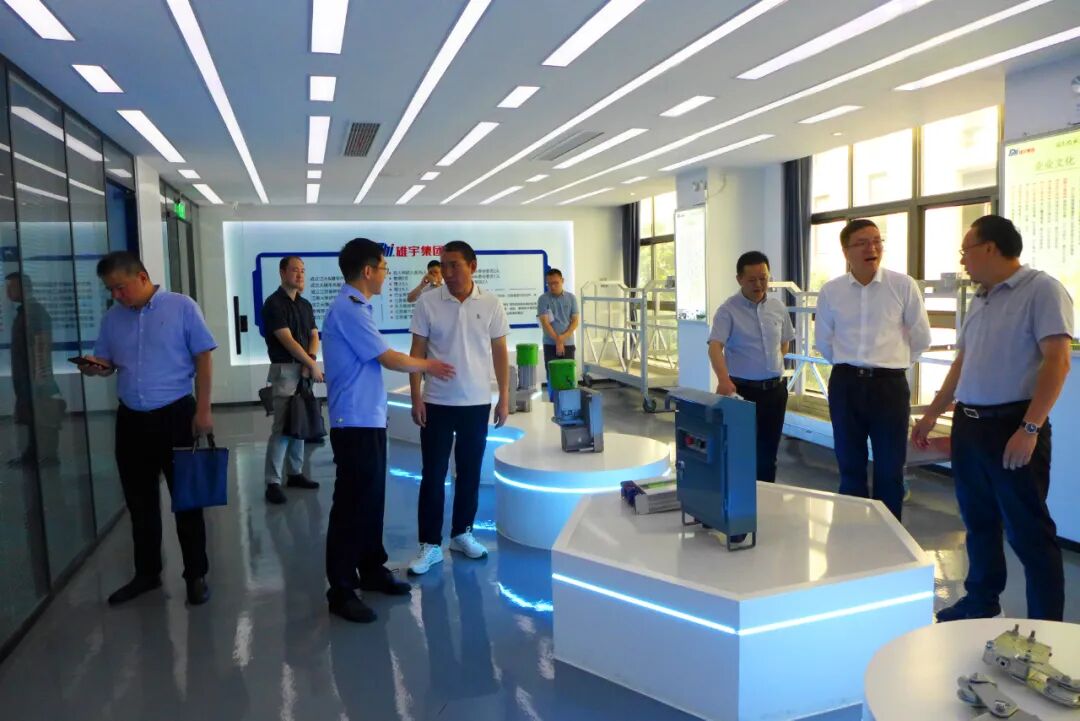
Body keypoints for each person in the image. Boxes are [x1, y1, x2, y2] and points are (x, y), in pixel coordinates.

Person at [912, 215, 1071, 622]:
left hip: (1012, 425)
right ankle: (981, 600)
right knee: (978, 520)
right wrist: (932, 414)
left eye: (965, 250)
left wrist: (1030, 428)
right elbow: (962, 363)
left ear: (990, 248)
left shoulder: (1042, 290)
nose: (962, 260)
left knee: (1028, 531)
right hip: (970, 426)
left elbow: (1058, 361)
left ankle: (1046, 625)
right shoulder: (981, 298)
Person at [320, 238, 456, 622]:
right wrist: (429, 365)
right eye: (383, 268)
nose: (385, 274)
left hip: (368, 418)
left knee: (371, 499)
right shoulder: (348, 309)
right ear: (367, 271)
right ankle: (341, 588)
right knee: (351, 505)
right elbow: (388, 358)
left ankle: (371, 568)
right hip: (353, 422)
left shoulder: (357, 307)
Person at [78, 252, 216, 606]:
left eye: (120, 287)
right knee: (139, 503)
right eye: (110, 290)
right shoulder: (112, 318)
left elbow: (203, 356)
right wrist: (96, 367)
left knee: (188, 501)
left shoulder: (182, 307)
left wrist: (203, 409)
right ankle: (147, 573)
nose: (116, 295)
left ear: (141, 277)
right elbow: (108, 361)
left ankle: (195, 574)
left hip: (177, 415)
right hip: (131, 421)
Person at [814, 219, 930, 521]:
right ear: (846, 251)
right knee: (849, 465)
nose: (872, 248)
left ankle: (888, 538)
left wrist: (891, 364)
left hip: (889, 387)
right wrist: (851, 366)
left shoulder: (902, 285)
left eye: (877, 241)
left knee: (890, 468)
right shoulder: (831, 291)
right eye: (863, 242)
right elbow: (823, 340)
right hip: (846, 384)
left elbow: (921, 338)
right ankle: (852, 533)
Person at [407, 240, 510, 575]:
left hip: (476, 403)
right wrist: (416, 396)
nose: (448, 272)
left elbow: (499, 351)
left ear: (472, 266)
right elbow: (416, 352)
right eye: (444, 265)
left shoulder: (491, 303)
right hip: (437, 402)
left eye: (455, 265)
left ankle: (462, 533)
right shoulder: (428, 302)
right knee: (433, 474)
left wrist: (504, 396)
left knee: (469, 472)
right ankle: (429, 544)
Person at [708, 251, 795, 483]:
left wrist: (770, 368)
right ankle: (738, 499)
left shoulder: (777, 307)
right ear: (739, 279)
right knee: (740, 452)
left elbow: (784, 342)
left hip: (775, 392)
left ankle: (765, 497)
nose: (759, 284)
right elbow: (715, 347)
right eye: (752, 280)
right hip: (742, 392)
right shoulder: (728, 310)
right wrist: (724, 380)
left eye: (763, 278)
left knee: (768, 453)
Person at [261, 255, 322, 505]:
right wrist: (310, 364)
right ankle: (272, 482)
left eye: (303, 271)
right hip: (286, 370)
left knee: (299, 421)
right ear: (282, 272)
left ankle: (295, 473)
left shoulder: (305, 304)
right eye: (295, 270)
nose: (300, 275)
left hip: (304, 369)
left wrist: (310, 360)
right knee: (282, 428)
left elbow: (314, 335)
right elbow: (287, 340)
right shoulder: (273, 304)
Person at [5, 273, 63, 466]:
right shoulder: (24, 313)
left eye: (12, 287)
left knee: (42, 415)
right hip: (25, 378)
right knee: (30, 416)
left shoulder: (35, 313)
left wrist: (41, 377)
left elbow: (42, 346)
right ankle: (32, 453)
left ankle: (46, 455)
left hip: (36, 378)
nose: (8, 291)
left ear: (24, 288)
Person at [537, 268, 579, 401]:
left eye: (555, 283)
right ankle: (553, 402)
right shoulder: (543, 299)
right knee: (552, 375)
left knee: (568, 375)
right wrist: (557, 340)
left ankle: (569, 404)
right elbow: (545, 322)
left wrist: (562, 339)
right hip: (550, 344)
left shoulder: (571, 298)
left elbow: (575, 321)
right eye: (549, 284)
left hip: (568, 343)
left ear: (562, 281)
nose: (552, 286)